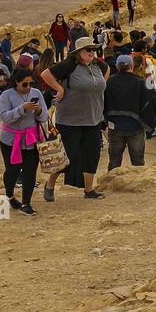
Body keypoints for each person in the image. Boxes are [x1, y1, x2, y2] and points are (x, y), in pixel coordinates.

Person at [40, 36, 109, 201]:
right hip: (70, 120)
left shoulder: (97, 65)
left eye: (93, 49)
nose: (92, 52)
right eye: (88, 50)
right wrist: (59, 89)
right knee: (65, 155)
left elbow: (107, 71)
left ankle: (89, 190)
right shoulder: (69, 65)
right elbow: (45, 74)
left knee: (92, 154)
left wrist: (99, 87)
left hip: (93, 118)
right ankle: (50, 185)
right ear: (78, 52)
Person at [0, 67, 50, 215]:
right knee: (12, 171)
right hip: (10, 140)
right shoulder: (6, 95)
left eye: (30, 84)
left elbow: (45, 116)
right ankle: (10, 195)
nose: (28, 87)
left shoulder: (36, 93)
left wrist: (39, 110)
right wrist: (22, 109)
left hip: (31, 139)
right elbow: (5, 117)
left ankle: (26, 203)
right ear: (16, 82)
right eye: (24, 84)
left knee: (30, 171)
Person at [104, 53, 156, 169]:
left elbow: (104, 103)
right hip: (135, 127)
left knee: (114, 162)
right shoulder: (140, 82)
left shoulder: (110, 82)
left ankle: (111, 185)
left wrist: (105, 121)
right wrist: (149, 125)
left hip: (115, 127)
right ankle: (136, 185)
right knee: (138, 163)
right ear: (132, 66)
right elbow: (149, 102)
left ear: (117, 67)